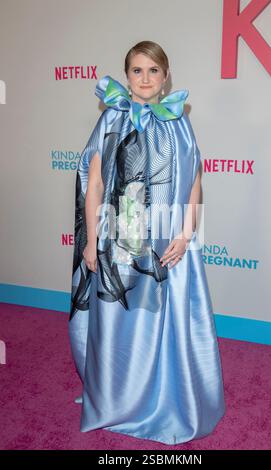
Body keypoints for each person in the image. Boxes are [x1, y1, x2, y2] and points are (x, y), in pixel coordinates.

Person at [69, 40, 225, 445]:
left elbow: (194, 183)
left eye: (153, 71)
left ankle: (171, 399)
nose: (145, 78)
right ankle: (117, 400)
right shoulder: (111, 120)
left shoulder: (179, 121)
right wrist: (90, 241)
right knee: (122, 323)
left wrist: (187, 234)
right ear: (127, 76)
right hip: (120, 237)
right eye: (137, 70)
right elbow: (96, 184)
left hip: (172, 240)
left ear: (165, 75)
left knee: (170, 321)